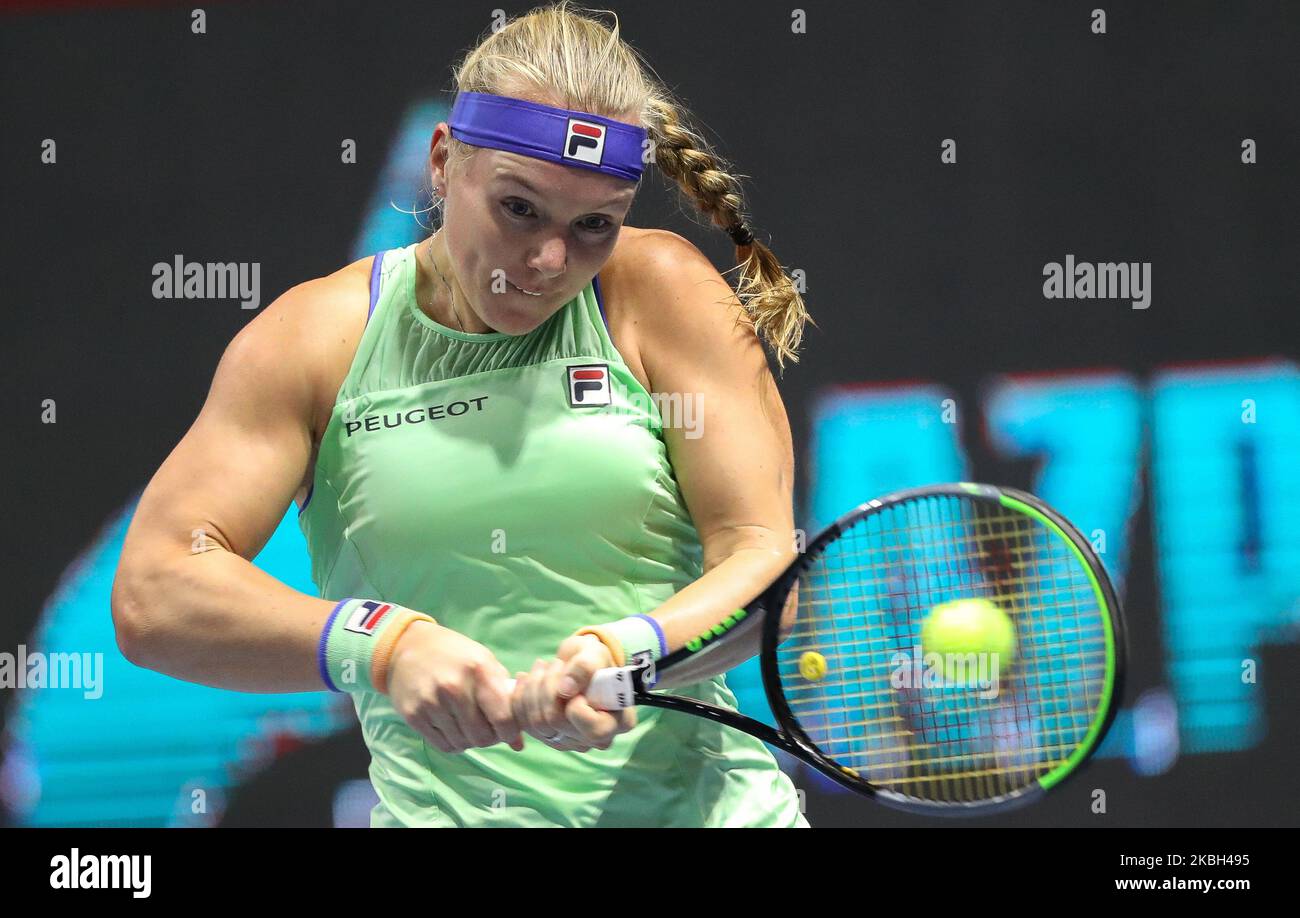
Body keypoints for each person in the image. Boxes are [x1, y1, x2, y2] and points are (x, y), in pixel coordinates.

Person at [111, 1, 812, 827]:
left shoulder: (660, 294)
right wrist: (380, 644)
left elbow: (767, 565)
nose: (550, 260)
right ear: (444, 163)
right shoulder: (316, 341)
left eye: (593, 226)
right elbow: (156, 593)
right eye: (520, 208)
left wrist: (627, 655)